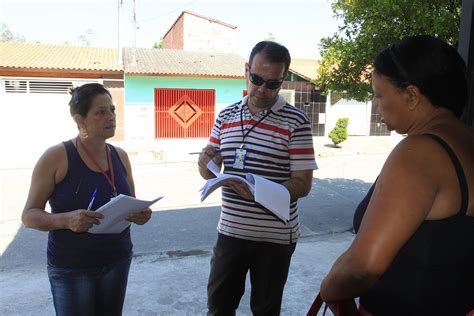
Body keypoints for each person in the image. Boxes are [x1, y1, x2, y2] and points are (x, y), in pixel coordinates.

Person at [320, 35, 474, 316]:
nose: (375, 104)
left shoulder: (419, 152)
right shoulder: (466, 143)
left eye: (379, 94)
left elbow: (363, 267)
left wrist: (329, 288)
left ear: (412, 96)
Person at [198, 41, 318, 315]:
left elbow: (302, 184)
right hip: (230, 232)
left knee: (265, 309)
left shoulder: (296, 121)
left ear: (282, 80)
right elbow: (210, 171)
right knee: (218, 307)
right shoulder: (226, 115)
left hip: (275, 239)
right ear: (246, 71)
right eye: (257, 79)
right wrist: (205, 164)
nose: (262, 90)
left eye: (272, 84)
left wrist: (258, 192)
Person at [22, 83, 152, 316]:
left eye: (112, 110)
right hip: (72, 267)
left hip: (117, 260)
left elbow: (130, 202)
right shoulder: (56, 157)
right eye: (100, 112)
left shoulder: (120, 156)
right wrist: (66, 220)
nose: (111, 117)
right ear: (79, 120)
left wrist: (140, 214)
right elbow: (29, 215)